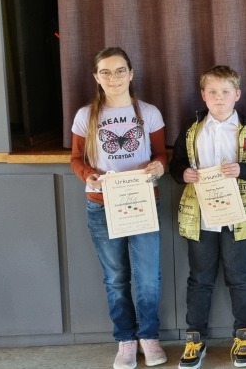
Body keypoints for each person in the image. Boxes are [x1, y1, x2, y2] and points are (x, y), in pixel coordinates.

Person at [69, 47, 169, 369]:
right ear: (96, 77)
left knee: (148, 277)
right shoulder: (86, 116)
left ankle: (149, 336)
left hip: (142, 203)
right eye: (106, 72)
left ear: (131, 73)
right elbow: (76, 158)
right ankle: (125, 339)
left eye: (120, 70)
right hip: (101, 205)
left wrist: (159, 166)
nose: (114, 78)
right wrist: (88, 175)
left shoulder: (149, 112)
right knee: (115, 277)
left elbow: (161, 154)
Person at [168, 65, 246, 368]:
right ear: (203, 95)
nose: (219, 97)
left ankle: (244, 335)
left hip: (238, 216)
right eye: (212, 91)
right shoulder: (193, 129)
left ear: (237, 94)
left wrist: (242, 169)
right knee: (200, 278)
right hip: (201, 217)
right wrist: (183, 174)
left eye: (225, 91)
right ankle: (195, 338)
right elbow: (176, 165)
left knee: (240, 276)